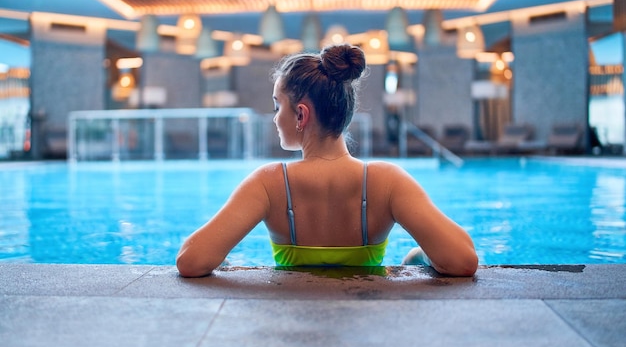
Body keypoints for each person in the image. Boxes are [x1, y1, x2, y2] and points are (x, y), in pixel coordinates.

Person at [176, 43, 478, 278]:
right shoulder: (387, 181)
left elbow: (191, 260)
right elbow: (463, 260)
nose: (274, 118)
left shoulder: (268, 183)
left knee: (224, 261)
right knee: (417, 257)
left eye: (277, 106)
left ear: (301, 114)